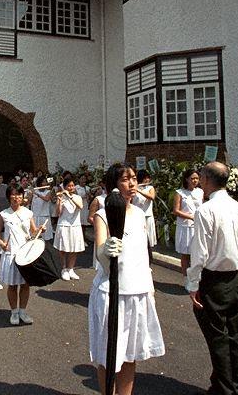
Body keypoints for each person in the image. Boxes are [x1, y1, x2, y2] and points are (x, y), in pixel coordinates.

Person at [89, 163, 165, 394]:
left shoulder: (140, 214)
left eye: (133, 178)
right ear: (113, 185)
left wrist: (149, 288)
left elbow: (143, 256)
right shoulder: (104, 214)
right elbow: (101, 251)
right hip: (112, 292)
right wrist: (106, 250)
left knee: (131, 354)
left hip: (137, 290)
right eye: (125, 179)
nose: (132, 183)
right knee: (108, 354)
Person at [187, 162, 238, 395]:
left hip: (213, 280)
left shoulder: (206, 211)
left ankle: (223, 389)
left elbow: (200, 253)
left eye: (201, 177)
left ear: (206, 179)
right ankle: (237, 385)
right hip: (234, 279)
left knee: (217, 338)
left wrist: (193, 284)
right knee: (235, 335)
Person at [0, 185, 43, 325]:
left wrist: (40, 229)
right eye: (14, 195)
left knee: (26, 284)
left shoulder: (28, 213)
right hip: (11, 253)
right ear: (9, 197)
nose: (17, 197)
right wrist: (2, 243)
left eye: (19, 195)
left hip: (26, 253)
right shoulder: (4, 214)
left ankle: (23, 311)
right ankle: (14, 312)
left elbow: (34, 232)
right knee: (13, 285)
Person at [174, 169, 204, 277]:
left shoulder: (200, 192)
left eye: (197, 178)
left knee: (197, 253)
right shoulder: (180, 193)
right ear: (186, 179)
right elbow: (176, 210)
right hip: (185, 226)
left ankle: (196, 278)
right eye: (192, 178)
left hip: (198, 226)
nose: (195, 181)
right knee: (186, 254)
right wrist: (190, 217)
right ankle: (186, 278)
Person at [54, 175, 85, 280]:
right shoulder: (61, 197)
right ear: (65, 187)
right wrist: (59, 201)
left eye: (72, 186)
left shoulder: (77, 197)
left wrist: (70, 196)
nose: (71, 188)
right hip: (64, 225)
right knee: (63, 248)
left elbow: (80, 206)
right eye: (69, 186)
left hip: (75, 226)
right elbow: (58, 213)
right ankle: (63, 269)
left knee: (74, 248)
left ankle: (71, 268)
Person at [133, 170, 157, 262]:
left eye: (148, 178)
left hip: (147, 216)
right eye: (145, 178)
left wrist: (139, 190)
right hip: (137, 216)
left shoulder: (150, 188)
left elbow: (151, 197)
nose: (147, 180)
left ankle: (148, 259)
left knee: (148, 239)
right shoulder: (134, 187)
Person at [29, 175, 53, 241]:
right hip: (35, 216)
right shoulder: (34, 191)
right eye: (43, 182)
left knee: (45, 236)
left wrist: (37, 194)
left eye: (45, 182)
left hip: (44, 216)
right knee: (35, 236)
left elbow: (47, 199)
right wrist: (31, 192)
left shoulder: (48, 192)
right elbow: (29, 201)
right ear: (39, 183)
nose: (45, 184)